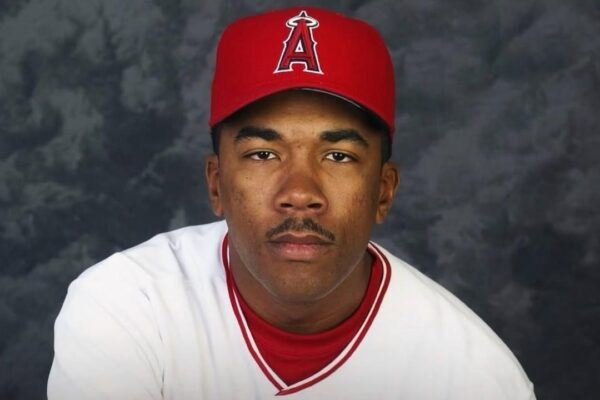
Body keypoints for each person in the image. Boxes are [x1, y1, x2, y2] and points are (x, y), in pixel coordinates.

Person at [48, 6, 536, 399]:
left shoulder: (475, 378)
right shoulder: (127, 306)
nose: (300, 192)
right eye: (263, 154)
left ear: (383, 191)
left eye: (338, 156)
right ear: (216, 184)